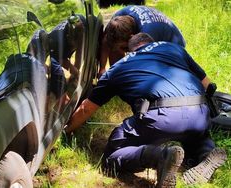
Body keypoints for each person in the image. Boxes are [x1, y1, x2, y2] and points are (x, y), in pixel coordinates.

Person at [65, 33, 226, 187]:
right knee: (197, 136)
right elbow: (207, 84)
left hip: (163, 118)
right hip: (200, 113)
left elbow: (86, 109)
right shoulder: (173, 48)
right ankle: (206, 153)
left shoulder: (118, 68)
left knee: (112, 154)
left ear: (130, 50)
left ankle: (161, 157)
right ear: (152, 42)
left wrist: (66, 131)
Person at [98, 5, 185, 77]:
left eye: (123, 47)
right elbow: (106, 41)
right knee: (114, 47)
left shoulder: (147, 33)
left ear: (131, 37)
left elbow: (143, 63)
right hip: (146, 35)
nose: (122, 49)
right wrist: (102, 69)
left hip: (173, 45)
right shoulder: (117, 19)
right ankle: (117, 77)